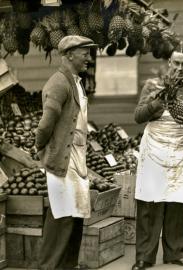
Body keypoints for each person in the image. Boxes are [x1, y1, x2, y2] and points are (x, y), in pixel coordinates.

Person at [132, 44, 183, 270]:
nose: (180, 68)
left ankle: (175, 252)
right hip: (154, 148)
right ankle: (145, 256)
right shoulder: (153, 85)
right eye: (176, 63)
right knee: (149, 203)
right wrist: (159, 101)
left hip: (180, 150)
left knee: (178, 202)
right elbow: (138, 116)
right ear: (169, 63)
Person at [35, 35, 97, 269]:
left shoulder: (75, 81)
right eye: (84, 53)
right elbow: (45, 124)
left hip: (75, 156)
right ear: (69, 55)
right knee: (61, 217)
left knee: (75, 215)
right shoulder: (59, 83)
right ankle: (49, 266)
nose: (88, 59)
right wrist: (42, 147)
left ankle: (68, 265)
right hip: (63, 158)